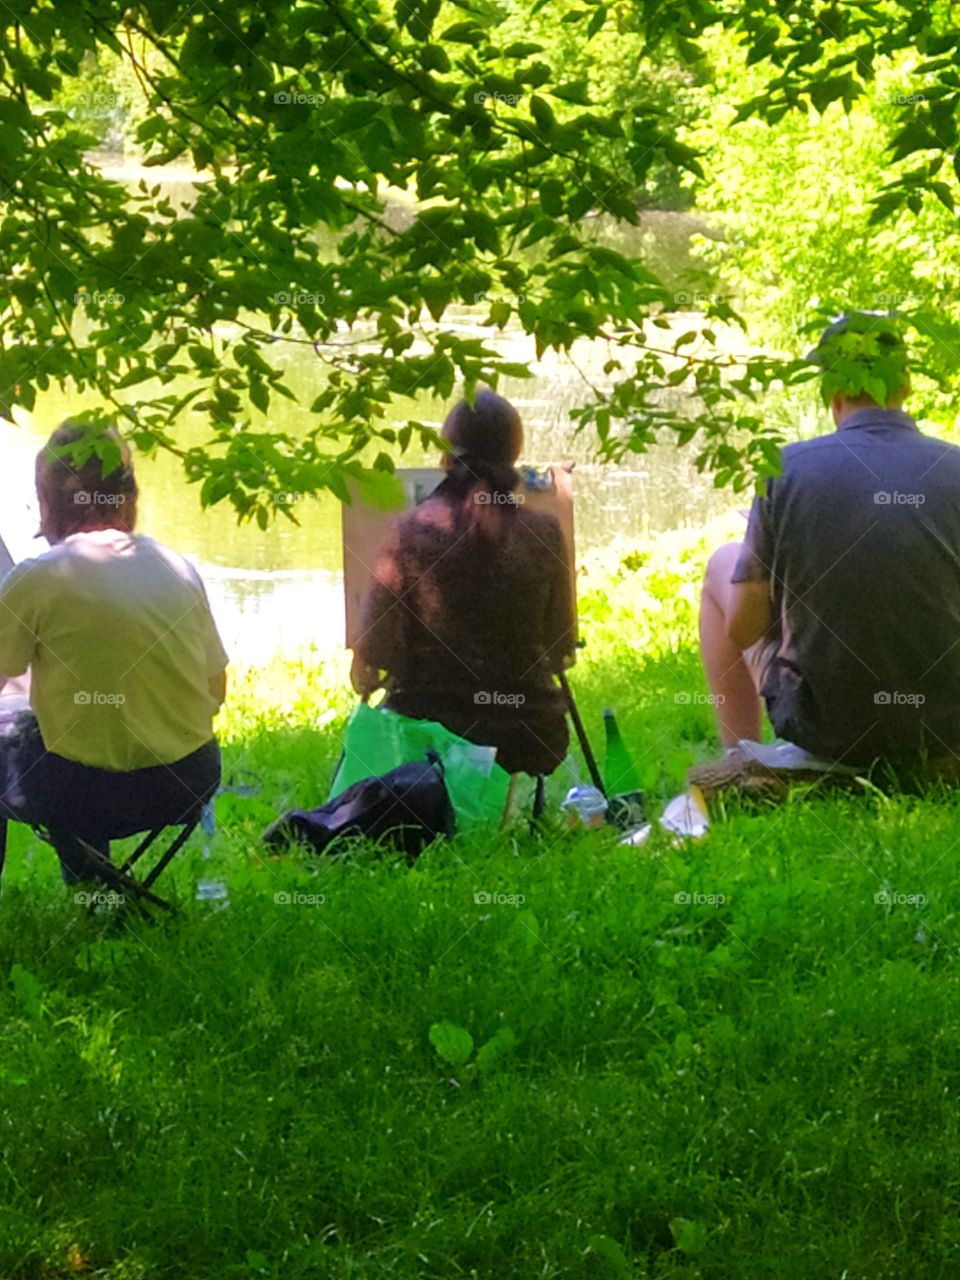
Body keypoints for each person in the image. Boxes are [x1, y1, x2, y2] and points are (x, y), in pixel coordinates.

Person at [699, 313, 960, 773]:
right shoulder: (953, 466)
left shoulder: (784, 467)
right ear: (906, 387)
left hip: (827, 733)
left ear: (830, 392)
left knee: (725, 563)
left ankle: (739, 758)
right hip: (945, 733)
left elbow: (743, 629)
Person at [0, 420, 228, 882]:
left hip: (80, 793)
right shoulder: (176, 567)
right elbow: (216, 691)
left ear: (48, 502)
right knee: (73, 740)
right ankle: (98, 891)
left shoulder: (38, 577)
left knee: (48, 744)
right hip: (187, 782)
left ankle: (92, 886)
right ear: (130, 496)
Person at [350, 391, 575, 776]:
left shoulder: (410, 532)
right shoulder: (545, 532)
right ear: (513, 455)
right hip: (532, 734)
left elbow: (374, 653)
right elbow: (562, 645)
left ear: (445, 456)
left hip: (430, 737)